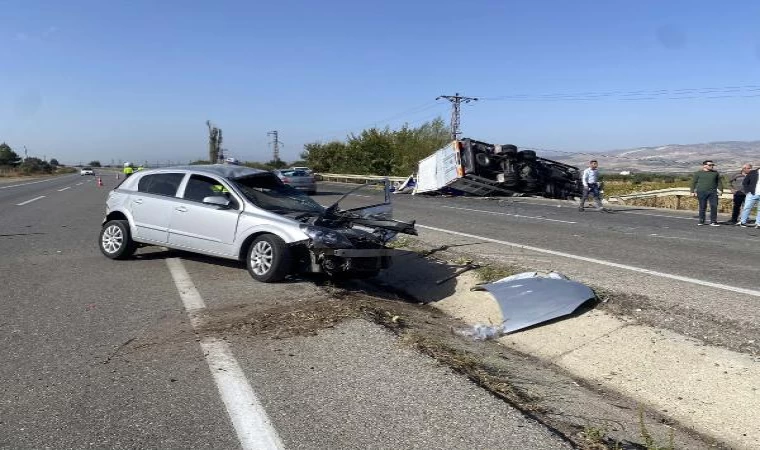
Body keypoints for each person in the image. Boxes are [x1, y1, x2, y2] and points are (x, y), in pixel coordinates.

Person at [690, 160, 724, 226]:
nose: (712, 166)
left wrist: (721, 190)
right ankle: (701, 221)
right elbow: (693, 182)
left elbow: (719, 182)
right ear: (704, 165)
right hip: (701, 192)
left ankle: (713, 221)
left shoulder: (715, 173)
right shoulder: (698, 173)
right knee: (702, 206)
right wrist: (692, 191)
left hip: (713, 192)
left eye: (712, 165)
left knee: (714, 206)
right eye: (710, 165)